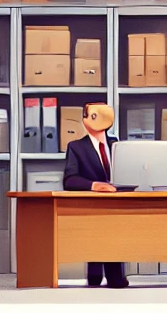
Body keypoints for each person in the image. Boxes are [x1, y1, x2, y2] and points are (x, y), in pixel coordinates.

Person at [63, 102, 130, 289]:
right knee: (99, 234)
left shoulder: (117, 144)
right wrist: (95, 186)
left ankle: (115, 277)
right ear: (84, 120)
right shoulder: (76, 147)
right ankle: (96, 275)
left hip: (119, 204)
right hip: (93, 206)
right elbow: (70, 179)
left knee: (116, 237)